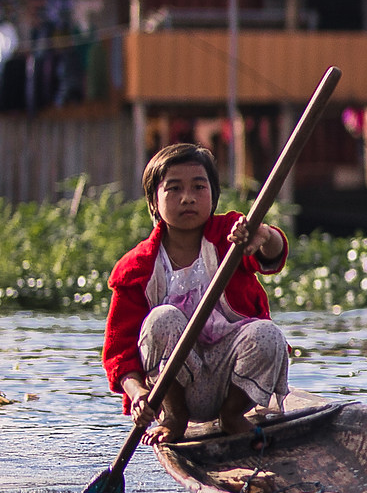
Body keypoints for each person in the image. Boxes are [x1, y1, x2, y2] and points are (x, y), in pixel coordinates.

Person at [103, 142, 292, 442]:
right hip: (174, 383)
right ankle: (175, 418)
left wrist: (264, 236)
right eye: (174, 189)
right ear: (153, 201)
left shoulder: (231, 235)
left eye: (198, 187)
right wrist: (138, 394)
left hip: (230, 378)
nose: (187, 198)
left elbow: (271, 255)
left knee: (268, 333)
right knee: (162, 318)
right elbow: (119, 352)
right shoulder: (137, 268)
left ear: (213, 195)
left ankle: (232, 415)